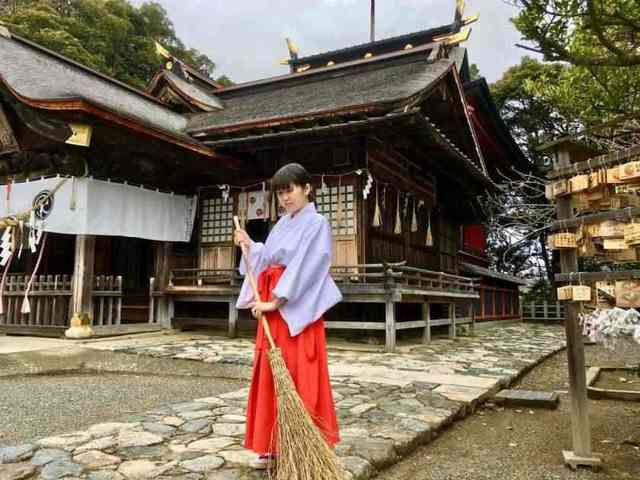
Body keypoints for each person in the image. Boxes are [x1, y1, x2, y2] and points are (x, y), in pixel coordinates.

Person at [234, 163, 342, 470]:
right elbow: (265, 259)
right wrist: (248, 245)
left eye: (290, 190)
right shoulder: (281, 225)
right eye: (280, 192)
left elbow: (310, 266)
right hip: (273, 304)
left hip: (295, 308)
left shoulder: (317, 223)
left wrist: (277, 301)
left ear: (307, 188)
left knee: (299, 371)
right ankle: (270, 444)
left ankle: (305, 441)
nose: (285, 198)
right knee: (272, 374)